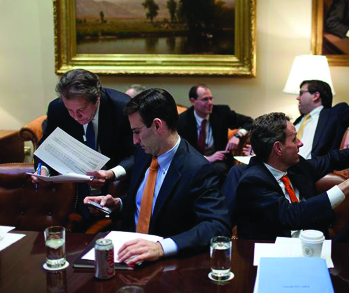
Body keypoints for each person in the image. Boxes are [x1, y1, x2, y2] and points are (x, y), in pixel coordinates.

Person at [85, 88, 231, 265]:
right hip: (124, 254)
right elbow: (149, 199)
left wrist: (162, 247)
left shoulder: (197, 169)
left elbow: (217, 225)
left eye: (137, 131)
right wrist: (118, 204)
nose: (134, 141)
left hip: (165, 265)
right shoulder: (144, 153)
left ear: (157, 125)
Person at [234, 112, 349, 242]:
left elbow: (331, 159)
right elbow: (293, 215)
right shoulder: (253, 181)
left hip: (314, 246)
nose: (300, 143)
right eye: (294, 139)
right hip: (278, 252)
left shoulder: (297, 167)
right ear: (278, 148)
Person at [32, 69, 135, 222]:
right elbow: (46, 149)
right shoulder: (57, 109)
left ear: (97, 98)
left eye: (81, 110)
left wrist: (111, 174)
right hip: (75, 193)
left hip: (115, 189)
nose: (75, 116)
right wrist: (43, 172)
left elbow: (138, 153)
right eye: (70, 110)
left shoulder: (123, 108)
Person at [177, 84, 253, 183]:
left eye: (211, 99)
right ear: (193, 101)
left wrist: (237, 136)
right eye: (205, 99)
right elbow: (181, 149)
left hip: (219, 160)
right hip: (193, 160)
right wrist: (207, 158)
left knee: (218, 170)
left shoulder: (221, 112)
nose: (210, 103)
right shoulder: (182, 120)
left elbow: (249, 121)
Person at [294, 80, 349, 159]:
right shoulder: (298, 121)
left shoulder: (334, 113)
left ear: (315, 96)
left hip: (309, 168)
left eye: (301, 93)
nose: (297, 97)